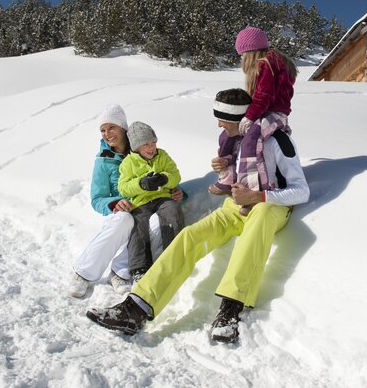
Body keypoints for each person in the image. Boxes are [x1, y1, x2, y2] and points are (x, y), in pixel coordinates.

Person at [86, 88, 310, 344]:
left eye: (222, 119)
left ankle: (230, 309)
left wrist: (259, 198)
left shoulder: (277, 141)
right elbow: (238, 179)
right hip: (236, 207)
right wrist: (225, 172)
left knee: (258, 222)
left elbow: (300, 190)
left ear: (237, 119)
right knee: (190, 236)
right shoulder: (238, 141)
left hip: (270, 206)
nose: (218, 124)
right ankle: (136, 307)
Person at [69, 105, 182, 298]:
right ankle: (83, 274)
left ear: (123, 128)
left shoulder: (143, 148)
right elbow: (97, 199)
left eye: (111, 127)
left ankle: (120, 272)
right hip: (119, 214)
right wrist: (114, 203)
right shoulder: (104, 160)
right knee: (125, 220)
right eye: (103, 130)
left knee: (155, 222)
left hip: (146, 205)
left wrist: (177, 192)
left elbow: (166, 175)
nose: (107, 134)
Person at [209, 27, 297, 216]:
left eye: (242, 55)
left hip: (275, 114)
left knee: (250, 139)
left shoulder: (268, 62)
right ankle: (227, 178)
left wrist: (250, 117)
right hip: (266, 112)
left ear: (249, 52)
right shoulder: (269, 63)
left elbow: (264, 95)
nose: (242, 60)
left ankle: (253, 192)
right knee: (229, 134)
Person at [118, 121, 185, 283]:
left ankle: (175, 255)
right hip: (141, 202)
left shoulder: (162, 156)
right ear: (136, 147)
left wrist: (165, 178)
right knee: (138, 224)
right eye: (146, 144)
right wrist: (140, 184)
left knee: (172, 211)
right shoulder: (128, 163)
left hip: (163, 197)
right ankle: (139, 267)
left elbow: (175, 175)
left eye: (153, 143)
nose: (151, 147)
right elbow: (123, 187)